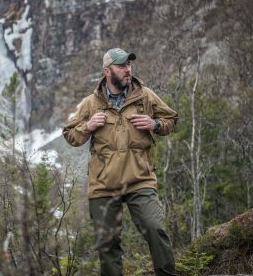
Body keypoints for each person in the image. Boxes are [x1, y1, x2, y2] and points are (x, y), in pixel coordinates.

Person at [63, 48, 178, 276]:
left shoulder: (145, 96)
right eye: (121, 66)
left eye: (129, 65)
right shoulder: (90, 104)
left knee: (155, 229)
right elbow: (70, 135)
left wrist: (154, 124)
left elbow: (171, 119)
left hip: (140, 180)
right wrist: (88, 126)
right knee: (107, 247)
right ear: (107, 71)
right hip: (104, 186)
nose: (128, 69)